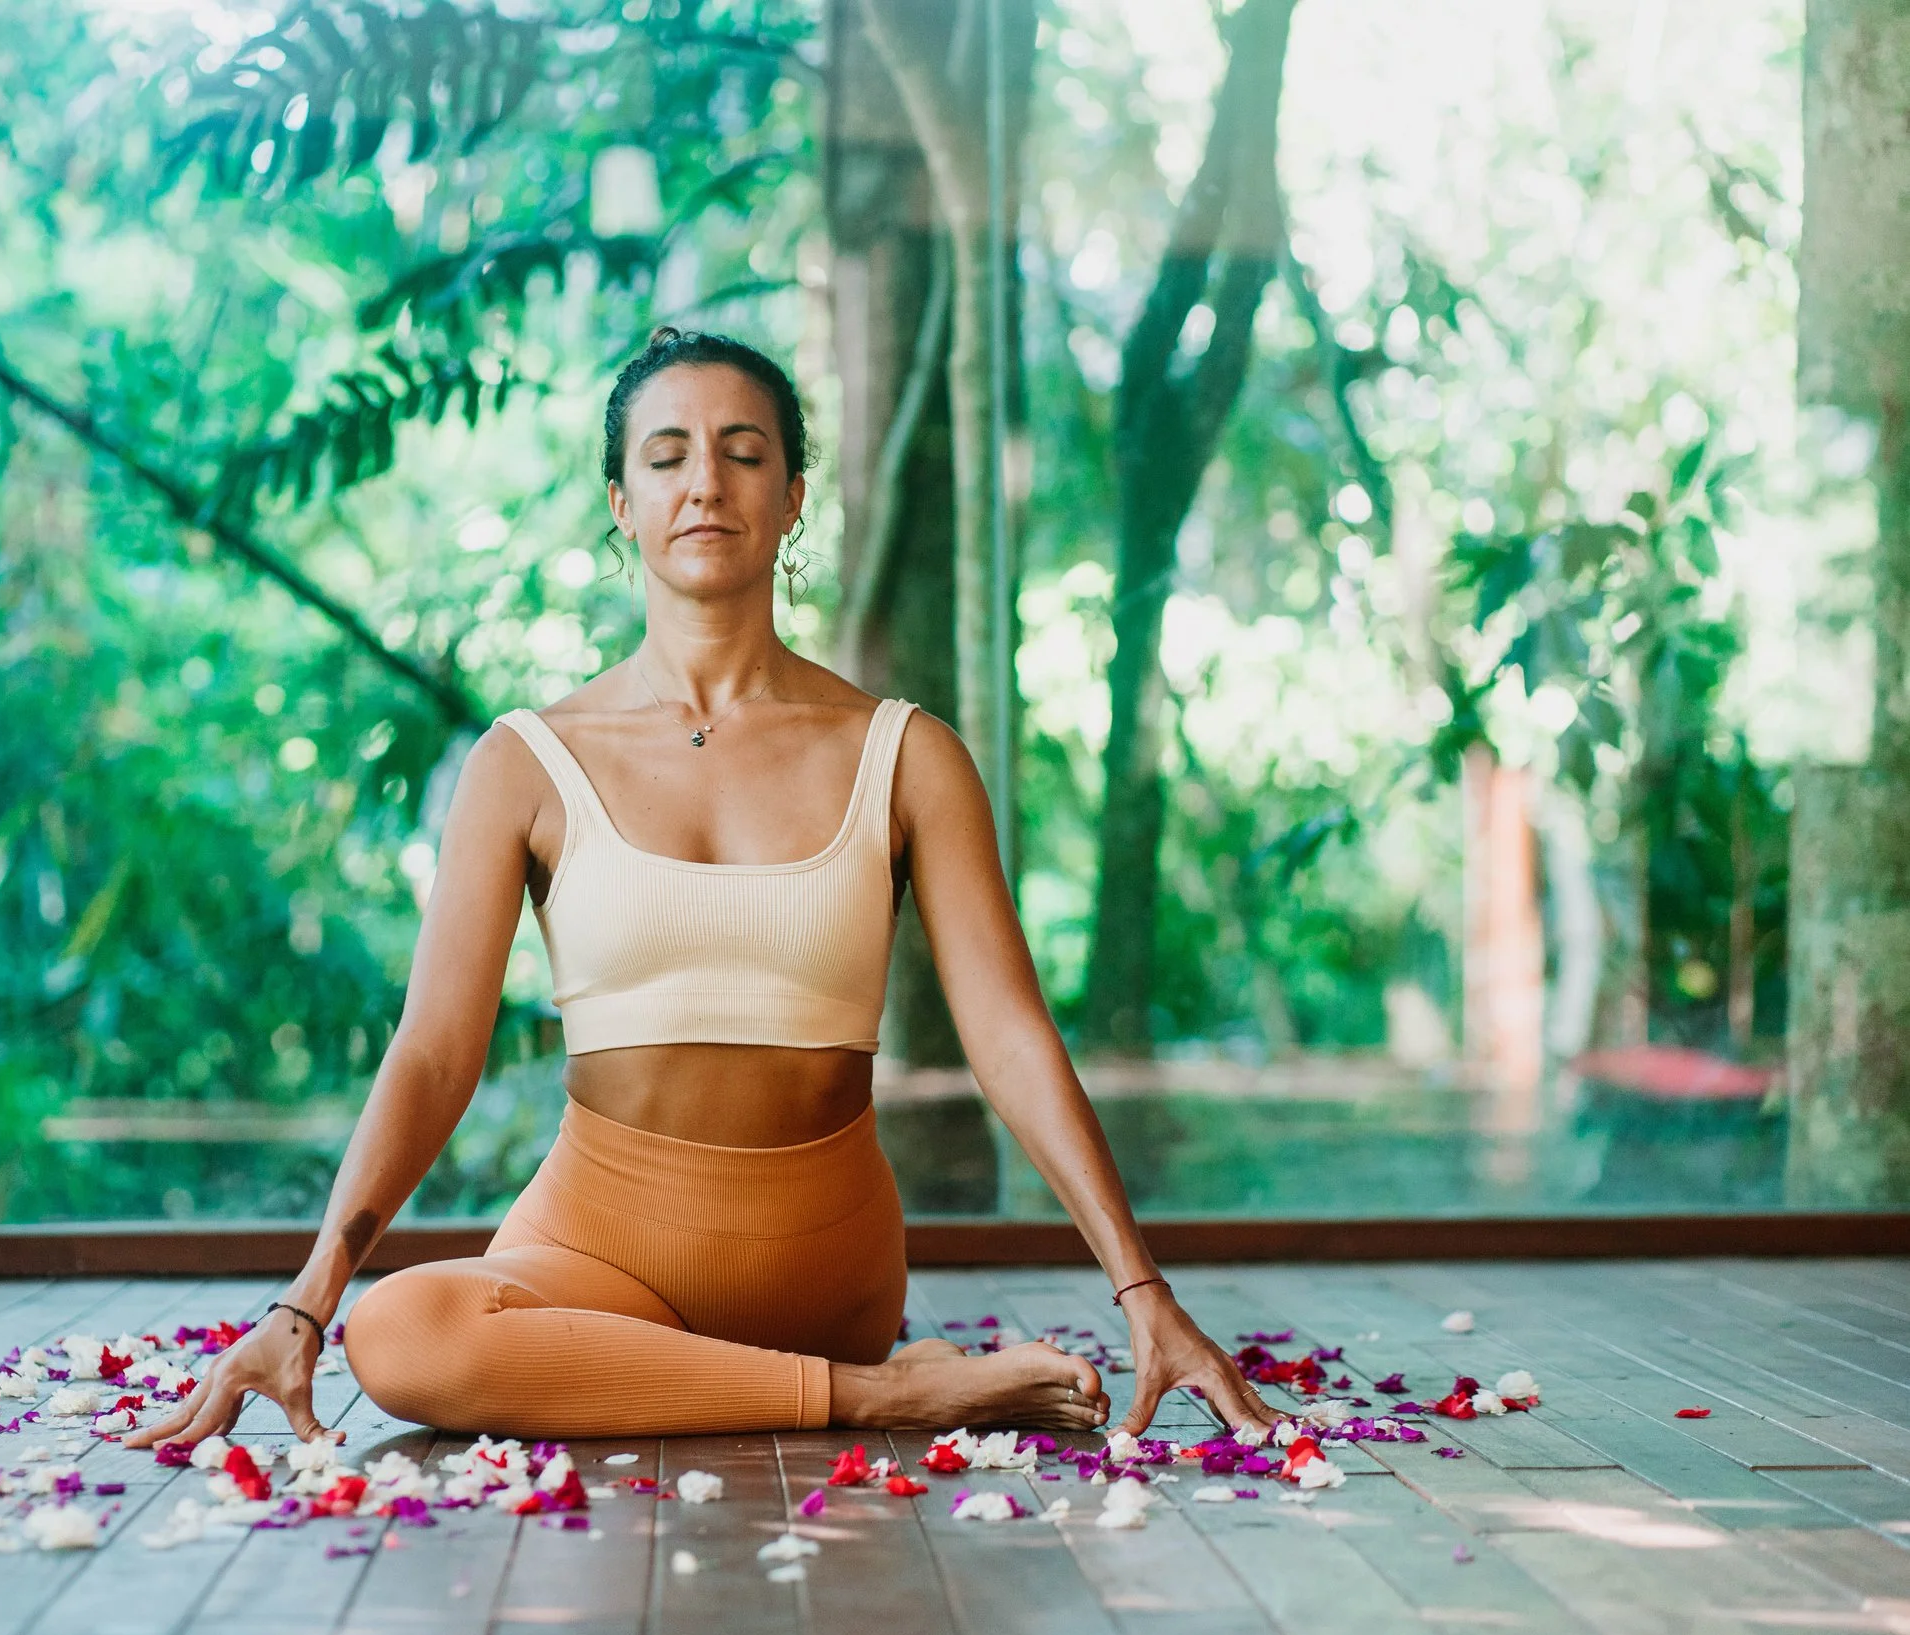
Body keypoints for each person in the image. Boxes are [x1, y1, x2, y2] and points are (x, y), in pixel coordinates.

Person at [131, 326, 1284, 1447]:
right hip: (597, 1251)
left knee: (431, 1340)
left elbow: (1010, 1035)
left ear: (791, 496)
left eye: (743, 452)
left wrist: (1143, 1289)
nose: (705, 484)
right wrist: (307, 1300)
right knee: (401, 1334)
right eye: (666, 455)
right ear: (622, 501)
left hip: (821, 1259)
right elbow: (435, 1050)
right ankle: (881, 1396)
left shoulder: (904, 751)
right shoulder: (524, 761)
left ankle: (839, 1371)